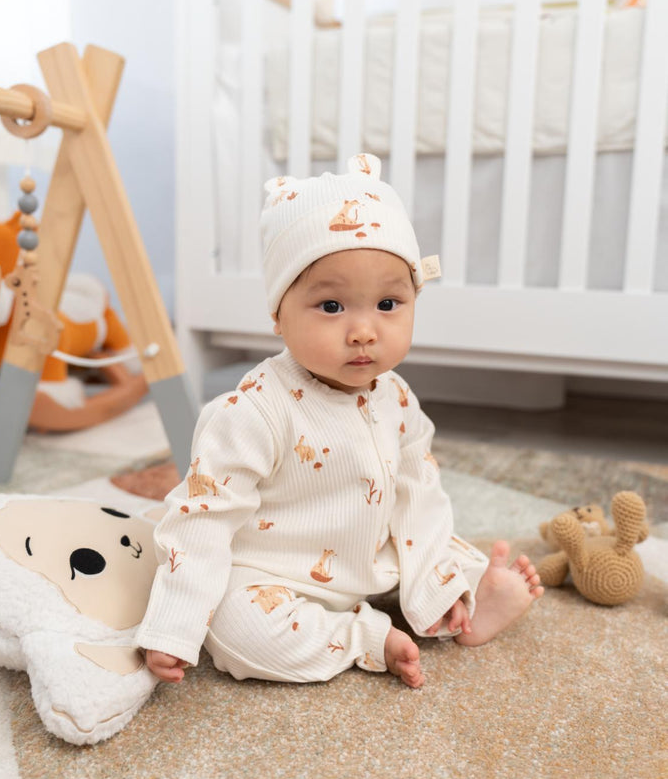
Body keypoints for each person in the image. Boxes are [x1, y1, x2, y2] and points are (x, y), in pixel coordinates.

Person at [135, 154, 543, 689]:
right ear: (278, 315)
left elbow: (417, 494)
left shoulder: (396, 397)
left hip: (374, 561)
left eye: (388, 303)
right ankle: (363, 637)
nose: (363, 331)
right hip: (277, 576)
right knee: (236, 631)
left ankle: (468, 603)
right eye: (331, 306)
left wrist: (435, 580)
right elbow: (203, 517)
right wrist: (174, 624)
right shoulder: (254, 410)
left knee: (441, 544)